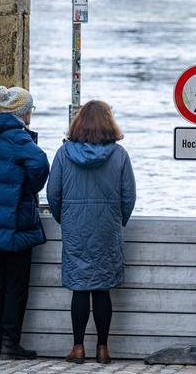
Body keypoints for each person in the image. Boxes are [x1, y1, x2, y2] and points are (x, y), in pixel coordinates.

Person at [46, 100, 136, 365]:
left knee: (79, 287)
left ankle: (77, 348)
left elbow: (53, 194)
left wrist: (65, 219)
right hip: (107, 228)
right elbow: (129, 196)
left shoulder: (64, 153)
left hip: (75, 227)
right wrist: (118, 221)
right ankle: (103, 349)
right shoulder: (119, 154)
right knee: (102, 288)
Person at [0, 86, 50, 360]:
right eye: (30, 109)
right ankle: (10, 342)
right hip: (15, 221)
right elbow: (40, 164)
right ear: (23, 112)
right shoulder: (18, 137)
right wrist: (29, 188)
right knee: (16, 283)